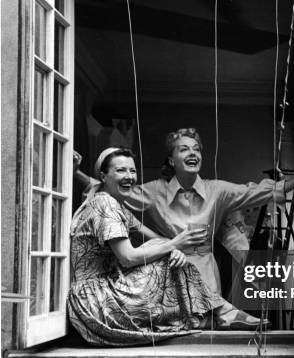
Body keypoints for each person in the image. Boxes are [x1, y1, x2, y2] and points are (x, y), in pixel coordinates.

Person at [68, 148, 268, 346]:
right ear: (103, 176)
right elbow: (127, 257)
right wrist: (175, 244)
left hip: (103, 295)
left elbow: (153, 236)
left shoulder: (114, 204)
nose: (129, 176)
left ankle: (216, 314)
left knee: (162, 246)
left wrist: (173, 247)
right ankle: (220, 314)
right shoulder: (105, 204)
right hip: (98, 303)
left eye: (132, 171)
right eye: (121, 171)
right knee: (163, 250)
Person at [73, 128, 294, 296]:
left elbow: (259, 192)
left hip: (206, 272)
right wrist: (76, 173)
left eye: (196, 149)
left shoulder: (218, 190)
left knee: (207, 328)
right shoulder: (154, 191)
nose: (192, 153)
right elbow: (112, 187)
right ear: (172, 160)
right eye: (184, 149)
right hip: (170, 269)